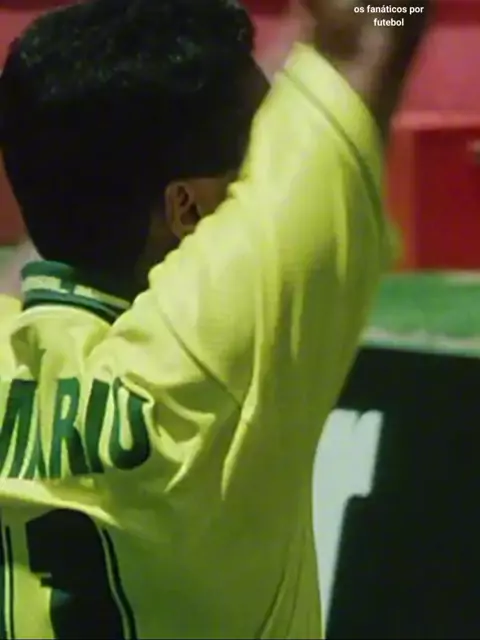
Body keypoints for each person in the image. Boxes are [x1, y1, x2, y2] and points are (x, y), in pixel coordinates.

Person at [0, 0, 430, 638]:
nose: (269, 182)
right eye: (256, 166)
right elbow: (375, 27)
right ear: (188, 208)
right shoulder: (212, 363)